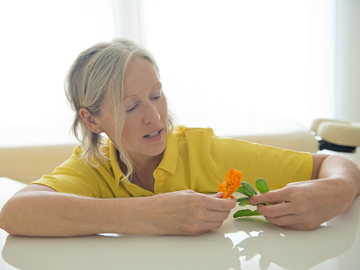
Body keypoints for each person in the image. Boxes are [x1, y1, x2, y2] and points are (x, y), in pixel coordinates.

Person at [0, 39, 359, 237]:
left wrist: (339, 190)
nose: (154, 116)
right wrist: (147, 215)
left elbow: (331, 163)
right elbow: (15, 213)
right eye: (129, 106)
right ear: (92, 121)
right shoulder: (93, 167)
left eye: (156, 95)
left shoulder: (204, 151)